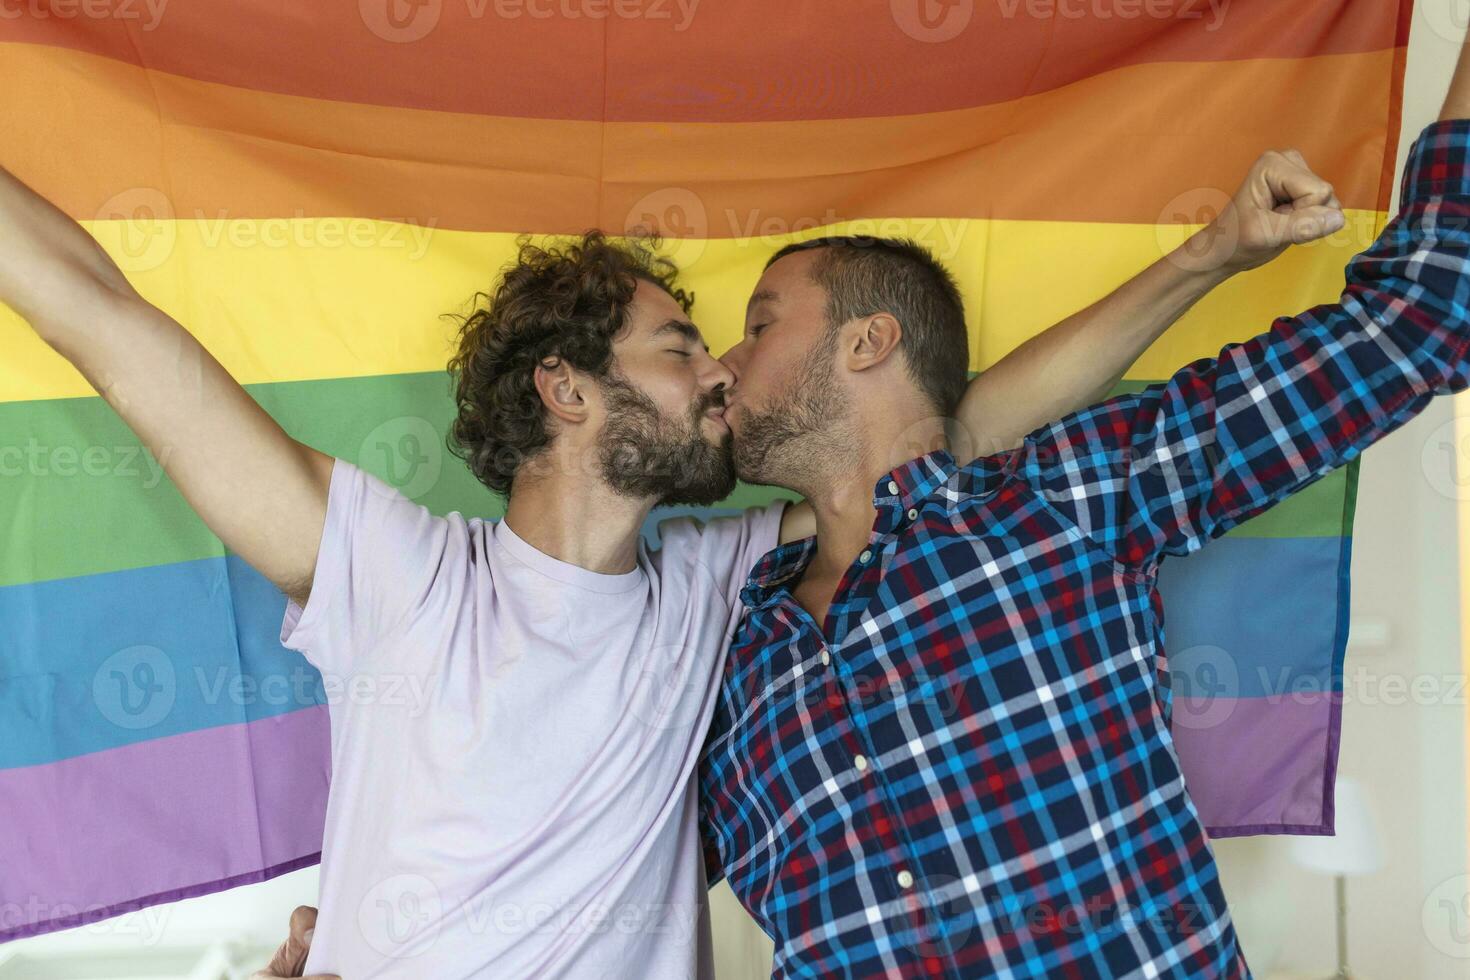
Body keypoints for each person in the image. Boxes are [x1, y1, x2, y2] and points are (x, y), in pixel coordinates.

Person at [1, 149, 1313, 973]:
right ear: (568, 391)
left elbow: (955, 425)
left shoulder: (723, 586)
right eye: (680, 346)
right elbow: (111, 329)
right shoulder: (394, 574)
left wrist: (1204, 258)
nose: (722, 375)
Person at [688, 40, 1470, 980]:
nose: (722, 366)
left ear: (869, 342)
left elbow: (1426, 313)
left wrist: (1212, 253)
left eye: (761, 324)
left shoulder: (1067, 499)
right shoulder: (716, 648)